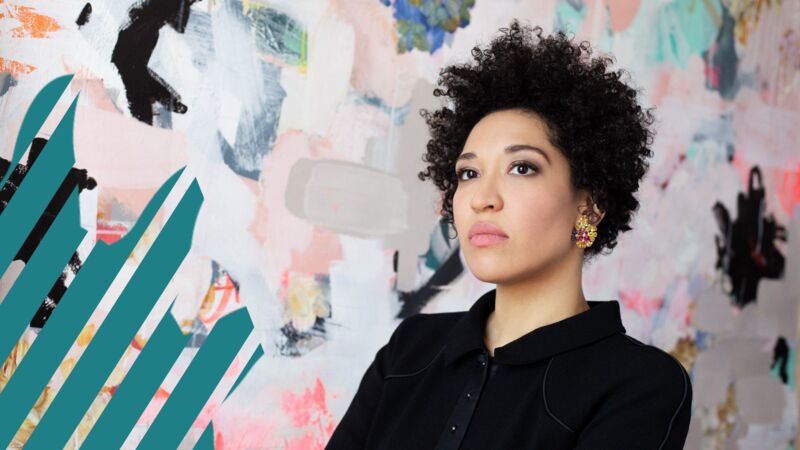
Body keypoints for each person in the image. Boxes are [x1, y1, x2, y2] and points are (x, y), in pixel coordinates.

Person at [327, 19, 692, 449]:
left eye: (522, 167)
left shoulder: (642, 385)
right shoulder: (410, 349)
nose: (482, 198)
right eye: (468, 173)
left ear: (589, 205)